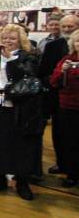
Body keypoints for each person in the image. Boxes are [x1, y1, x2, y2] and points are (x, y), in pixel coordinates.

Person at [0, 24, 41, 200]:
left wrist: (10, 61)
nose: (8, 41)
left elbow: (28, 75)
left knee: (20, 146)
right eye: (5, 38)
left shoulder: (28, 57)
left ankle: (21, 182)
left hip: (18, 110)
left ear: (20, 40)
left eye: (12, 39)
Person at [39, 14, 79, 176]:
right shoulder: (53, 46)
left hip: (74, 100)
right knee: (60, 135)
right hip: (57, 99)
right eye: (65, 27)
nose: (67, 29)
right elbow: (44, 72)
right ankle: (62, 163)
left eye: (71, 26)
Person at [50, 29, 79, 188]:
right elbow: (54, 81)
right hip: (68, 107)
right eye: (77, 41)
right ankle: (72, 173)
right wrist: (63, 71)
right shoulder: (66, 60)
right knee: (70, 142)